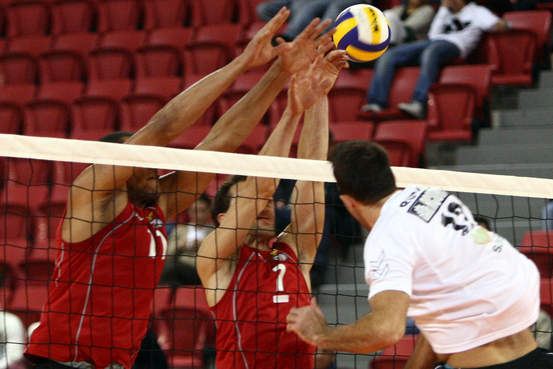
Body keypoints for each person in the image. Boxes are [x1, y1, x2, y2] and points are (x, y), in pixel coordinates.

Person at [25, 8, 331, 369]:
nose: (154, 166)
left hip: (115, 362)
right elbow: (163, 128)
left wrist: (281, 72)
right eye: (143, 162)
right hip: (61, 359)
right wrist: (242, 63)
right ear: (117, 169)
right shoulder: (93, 197)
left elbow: (220, 143)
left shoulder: (157, 209)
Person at [286, 140, 549, 369]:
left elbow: (385, 330)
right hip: (526, 325)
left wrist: (321, 334)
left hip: (482, 358)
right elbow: (477, 239)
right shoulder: (431, 194)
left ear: (347, 201)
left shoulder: (386, 238)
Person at [196, 41, 348, 369]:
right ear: (224, 218)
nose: (264, 205)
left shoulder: (295, 250)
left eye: (267, 202)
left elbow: (311, 177)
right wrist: (292, 112)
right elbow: (262, 183)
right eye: (250, 203)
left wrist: (319, 95)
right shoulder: (216, 261)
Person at [362, 0, 508, 119]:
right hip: (433, 42)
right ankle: (376, 102)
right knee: (390, 54)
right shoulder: (444, 12)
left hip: (457, 45)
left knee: (431, 52)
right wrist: (444, 11)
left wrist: (501, 24)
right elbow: (433, 35)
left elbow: (500, 25)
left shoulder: (476, 11)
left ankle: (419, 103)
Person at [161, 194, 215, 286]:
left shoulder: (214, 231)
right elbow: (167, 254)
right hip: (180, 266)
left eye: (202, 210)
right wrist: (182, 245)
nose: (198, 215)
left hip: (205, 269)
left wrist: (204, 247)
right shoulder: (180, 230)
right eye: (195, 211)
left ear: (208, 212)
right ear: (189, 212)